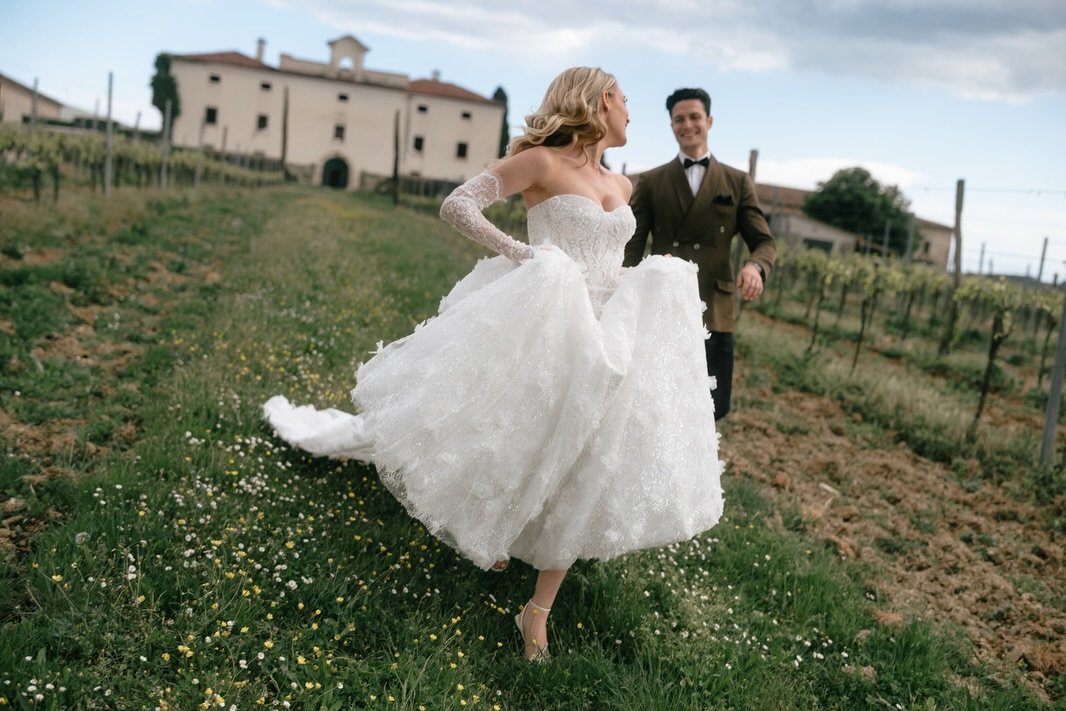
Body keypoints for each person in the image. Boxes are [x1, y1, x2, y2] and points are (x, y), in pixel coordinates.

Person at [263, 67, 723, 662]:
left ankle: (537, 608)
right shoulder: (542, 162)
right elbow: (460, 205)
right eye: (626, 101)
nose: (632, 114)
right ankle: (495, 524)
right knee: (523, 433)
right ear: (601, 101)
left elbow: (609, 256)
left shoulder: (624, 183)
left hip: (611, 327)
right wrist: (526, 256)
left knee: (591, 450)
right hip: (551, 319)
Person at [624, 87, 776, 420]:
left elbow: (764, 242)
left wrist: (754, 267)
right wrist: (623, 299)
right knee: (656, 405)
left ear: (709, 120)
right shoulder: (651, 181)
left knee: (710, 408)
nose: (687, 125)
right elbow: (631, 247)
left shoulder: (738, 182)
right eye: (679, 119)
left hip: (715, 310)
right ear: (671, 126)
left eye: (695, 117)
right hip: (662, 305)